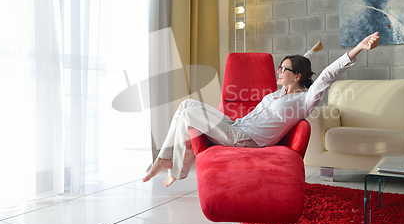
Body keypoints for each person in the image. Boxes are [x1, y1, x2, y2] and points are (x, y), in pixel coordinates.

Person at [143, 32, 380, 187]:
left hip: (247, 140)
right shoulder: (280, 92)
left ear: (297, 76)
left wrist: (359, 47)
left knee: (187, 114)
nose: (278, 72)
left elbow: (327, 75)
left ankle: (168, 162)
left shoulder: (305, 101)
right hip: (236, 126)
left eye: (283, 69)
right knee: (186, 105)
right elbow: (301, 64)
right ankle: (169, 161)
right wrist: (311, 51)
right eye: (279, 67)